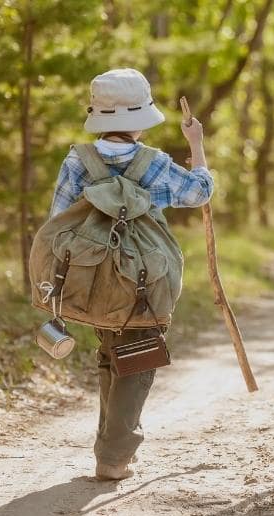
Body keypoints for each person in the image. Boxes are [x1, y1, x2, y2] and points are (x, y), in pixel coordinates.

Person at [49, 68, 212, 480]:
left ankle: (110, 446)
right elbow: (199, 192)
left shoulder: (77, 160)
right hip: (142, 280)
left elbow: (57, 220)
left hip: (91, 278)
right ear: (140, 118)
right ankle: (114, 456)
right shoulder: (152, 163)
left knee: (110, 355)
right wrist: (197, 145)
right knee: (138, 360)